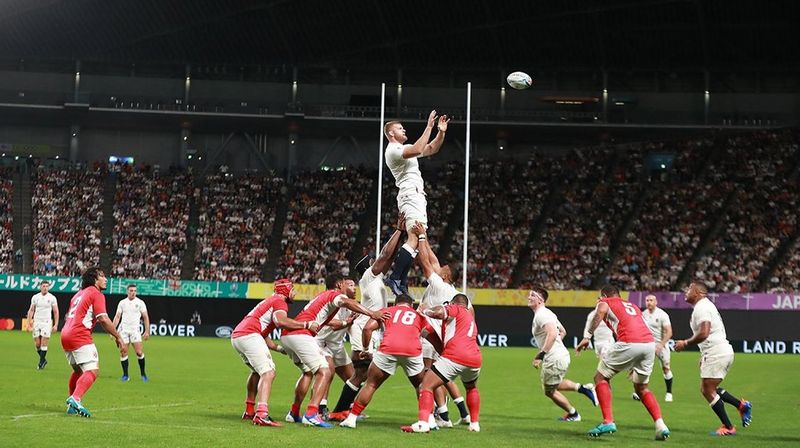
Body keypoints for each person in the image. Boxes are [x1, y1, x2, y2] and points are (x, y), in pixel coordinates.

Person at [280, 273, 389, 428]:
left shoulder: (330, 299)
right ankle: (314, 412)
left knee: (318, 373)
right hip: (312, 338)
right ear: (339, 285)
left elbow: (332, 320)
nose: (351, 287)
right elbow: (337, 315)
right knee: (325, 371)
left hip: (294, 336)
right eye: (347, 283)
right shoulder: (335, 296)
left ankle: (296, 412)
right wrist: (373, 313)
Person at [327, 212, 405, 420]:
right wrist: (398, 229)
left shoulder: (375, 279)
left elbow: (389, 257)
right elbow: (385, 257)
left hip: (371, 327)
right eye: (372, 262)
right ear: (367, 267)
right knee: (363, 372)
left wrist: (401, 235)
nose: (376, 263)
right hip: (364, 328)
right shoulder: (369, 277)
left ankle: (342, 410)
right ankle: (340, 410)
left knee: (363, 373)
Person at [577, 285, 670, 440]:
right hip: (648, 345)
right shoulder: (632, 305)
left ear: (605, 295)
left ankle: (608, 421)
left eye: (601, 297)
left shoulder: (606, 302)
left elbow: (600, 311)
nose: (600, 300)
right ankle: (661, 425)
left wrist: (587, 337)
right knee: (642, 388)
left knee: (600, 378)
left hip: (629, 342)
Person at [339, 293, 438, 428]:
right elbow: (430, 334)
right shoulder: (418, 315)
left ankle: (351, 419)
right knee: (422, 386)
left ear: (395, 303)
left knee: (371, 385)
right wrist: (443, 351)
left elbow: (368, 328)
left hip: (388, 349)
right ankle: (429, 420)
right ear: (411, 305)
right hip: (412, 350)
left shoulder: (387, 311)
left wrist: (366, 349)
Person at [232, 279, 316, 427]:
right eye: (292, 289)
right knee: (268, 373)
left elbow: (264, 335)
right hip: (250, 335)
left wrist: (280, 349)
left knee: (257, 372)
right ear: (285, 291)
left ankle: (249, 410)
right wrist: (306, 324)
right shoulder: (279, 301)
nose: (294, 292)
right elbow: (280, 321)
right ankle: (262, 414)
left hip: (238, 336)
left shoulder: (270, 300)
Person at [383, 111, 450, 296]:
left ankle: (400, 280)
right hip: (410, 195)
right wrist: (429, 126)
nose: (403, 129)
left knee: (418, 238)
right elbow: (420, 149)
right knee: (415, 238)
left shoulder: (404, 150)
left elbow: (430, 149)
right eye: (399, 128)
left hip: (415, 196)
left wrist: (441, 132)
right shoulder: (393, 150)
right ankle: (396, 277)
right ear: (391, 134)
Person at [412, 222, 471, 427]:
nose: (441, 266)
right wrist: (424, 236)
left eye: (444, 268)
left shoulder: (438, 284)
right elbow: (433, 258)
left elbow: (426, 263)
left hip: (431, 335)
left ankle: (441, 416)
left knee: (429, 374)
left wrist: (419, 239)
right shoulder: (457, 294)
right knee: (443, 375)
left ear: (445, 275)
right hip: (446, 336)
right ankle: (462, 412)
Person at [675, 282, 752, 436]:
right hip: (718, 351)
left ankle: (729, 427)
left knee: (707, 389)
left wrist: (686, 343)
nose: (686, 291)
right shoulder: (704, 306)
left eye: (689, 289)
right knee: (710, 388)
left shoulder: (702, 307)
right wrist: (703, 354)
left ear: (697, 292)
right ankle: (741, 405)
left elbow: (704, 333)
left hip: (717, 352)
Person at [403, 294, 481, 433]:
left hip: (457, 355)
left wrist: (426, 310)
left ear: (453, 303)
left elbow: (438, 312)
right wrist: (428, 333)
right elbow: (441, 347)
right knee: (471, 388)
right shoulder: (468, 318)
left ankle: (423, 423)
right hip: (474, 358)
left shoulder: (457, 309)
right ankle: (474, 424)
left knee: (425, 385)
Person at [60, 267, 124, 417]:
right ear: (95, 280)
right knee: (92, 370)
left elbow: (68, 316)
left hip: (65, 334)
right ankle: (75, 398)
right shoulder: (96, 294)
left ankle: (71, 405)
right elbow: (103, 318)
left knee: (78, 371)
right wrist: (118, 336)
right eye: (102, 276)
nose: (105, 278)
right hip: (79, 334)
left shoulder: (77, 295)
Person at [528, 286, 598, 421]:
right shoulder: (548, 313)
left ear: (540, 300)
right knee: (554, 384)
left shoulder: (542, 314)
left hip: (554, 358)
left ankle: (573, 414)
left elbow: (553, 333)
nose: (529, 297)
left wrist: (541, 355)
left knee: (549, 391)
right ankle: (584, 389)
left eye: (532, 295)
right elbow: (563, 331)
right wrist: (554, 347)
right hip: (560, 355)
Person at [637, 294, 674, 402]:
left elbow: (669, 332)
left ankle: (669, 393)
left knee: (666, 369)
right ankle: (640, 392)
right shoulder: (643, 314)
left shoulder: (662, 315)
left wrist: (661, 344)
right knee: (643, 368)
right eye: (647, 300)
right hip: (648, 345)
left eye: (651, 300)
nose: (649, 302)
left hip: (661, 345)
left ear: (656, 302)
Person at [112, 284, 151, 382]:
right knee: (123, 352)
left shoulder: (140, 303)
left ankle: (143, 374)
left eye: (134, 291)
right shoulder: (122, 303)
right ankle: (125, 375)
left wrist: (147, 331)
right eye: (131, 291)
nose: (133, 292)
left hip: (135, 331)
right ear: (127, 292)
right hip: (124, 330)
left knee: (139, 352)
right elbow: (117, 317)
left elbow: (145, 317)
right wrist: (112, 330)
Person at [27, 280, 59, 370]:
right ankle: (43, 360)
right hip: (36, 321)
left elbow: (56, 312)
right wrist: (29, 322)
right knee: (37, 344)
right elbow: (31, 310)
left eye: (47, 286)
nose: (45, 288)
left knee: (44, 343)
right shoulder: (35, 297)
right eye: (43, 286)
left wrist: (56, 325)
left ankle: (41, 364)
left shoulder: (52, 298)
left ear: (48, 287)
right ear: (40, 287)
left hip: (47, 322)